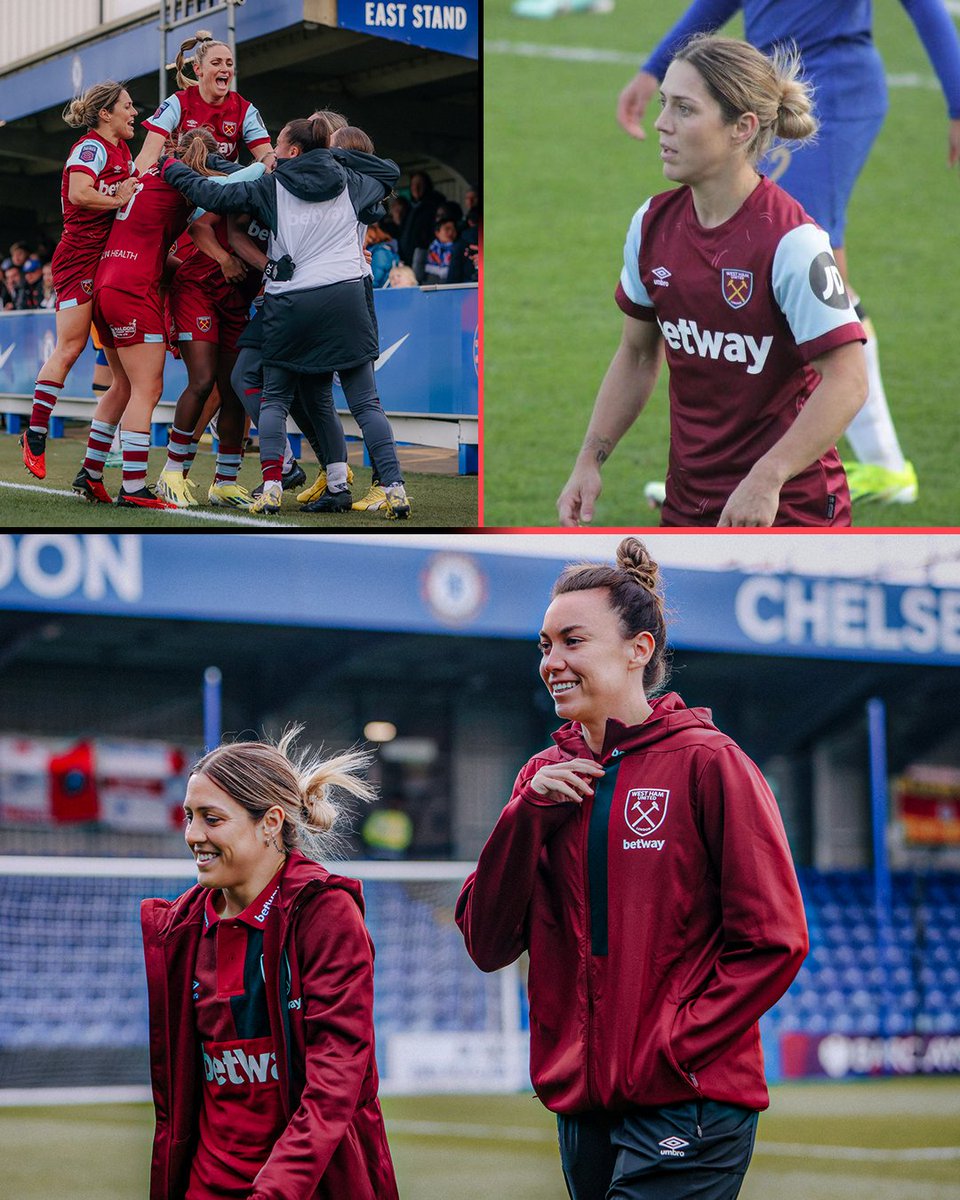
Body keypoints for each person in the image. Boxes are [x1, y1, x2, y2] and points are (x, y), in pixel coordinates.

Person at [456, 536, 808, 1200]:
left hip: (687, 1096)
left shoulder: (709, 763)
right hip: (583, 1103)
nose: (552, 662)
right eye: (544, 645)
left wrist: (673, 1042)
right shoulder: (541, 779)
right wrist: (523, 816)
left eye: (572, 641)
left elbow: (774, 939)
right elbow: (487, 942)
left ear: (637, 650)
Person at [616, 0, 960, 507]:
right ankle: (860, 462)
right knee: (812, 266)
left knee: (801, 248)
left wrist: (957, 102)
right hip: (768, 84)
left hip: (835, 93)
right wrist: (654, 70)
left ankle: (870, 465)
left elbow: (927, 8)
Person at [557, 35, 868, 528]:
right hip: (688, 504)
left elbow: (848, 380)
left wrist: (768, 476)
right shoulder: (651, 224)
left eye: (684, 109)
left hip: (788, 509)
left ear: (741, 128)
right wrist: (590, 460)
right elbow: (638, 355)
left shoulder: (792, 242)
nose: (661, 123)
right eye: (664, 104)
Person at [141, 726, 399, 1200]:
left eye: (212, 819)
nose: (193, 835)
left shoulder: (324, 914)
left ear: (271, 822)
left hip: (303, 1188)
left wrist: (276, 1191)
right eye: (188, 817)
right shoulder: (180, 929)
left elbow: (333, 1082)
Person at [161, 113, 412, 519]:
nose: (271, 154)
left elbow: (216, 196)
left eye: (277, 145)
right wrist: (339, 160)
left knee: (275, 395)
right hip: (347, 294)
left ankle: (275, 484)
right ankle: (392, 486)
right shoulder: (355, 181)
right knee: (363, 401)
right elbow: (388, 171)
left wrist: (169, 165)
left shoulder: (272, 186)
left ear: (293, 150)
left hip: (293, 299)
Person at [72, 128, 231, 509]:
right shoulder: (185, 181)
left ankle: (91, 472)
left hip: (106, 283)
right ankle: (133, 488)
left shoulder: (144, 175)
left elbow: (148, 241)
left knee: (122, 385)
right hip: (135, 288)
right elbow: (230, 188)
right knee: (148, 389)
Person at [20, 80, 138, 479]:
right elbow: (79, 193)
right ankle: (35, 433)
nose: (133, 112)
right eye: (127, 105)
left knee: (123, 373)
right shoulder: (91, 147)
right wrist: (118, 199)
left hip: (111, 264)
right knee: (71, 348)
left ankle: (94, 468)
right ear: (106, 114)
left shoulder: (123, 149)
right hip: (78, 261)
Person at [136, 28, 274, 175]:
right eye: (216, 63)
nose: (225, 69)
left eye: (229, 63)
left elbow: (268, 159)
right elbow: (148, 156)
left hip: (220, 190)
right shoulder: (177, 103)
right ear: (198, 69)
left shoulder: (245, 110)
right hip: (177, 187)